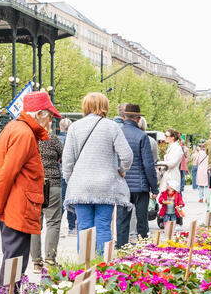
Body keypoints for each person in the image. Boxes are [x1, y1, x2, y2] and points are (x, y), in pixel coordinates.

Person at [0, 91, 58, 285]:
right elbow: (7, 172)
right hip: (18, 207)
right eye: (49, 116)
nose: (51, 121)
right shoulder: (24, 134)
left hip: (13, 205)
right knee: (15, 261)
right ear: (39, 113)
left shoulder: (12, 127)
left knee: (12, 258)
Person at [62, 93, 133, 256]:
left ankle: (84, 268)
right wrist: (123, 170)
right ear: (104, 106)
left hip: (81, 185)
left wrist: (69, 178)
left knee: (84, 226)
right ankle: (103, 268)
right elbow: (127, 155)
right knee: (103, 226)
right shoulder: (112, 127)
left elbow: (67, 160)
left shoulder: (74, 127)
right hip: (106, 185)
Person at [115, 104, 158, 248]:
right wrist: (154, 187)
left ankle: (121, 249)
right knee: (142, 221)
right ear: (138, 119)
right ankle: (142, 248)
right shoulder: (142, 136)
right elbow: (148, 165)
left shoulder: (117, 133)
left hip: (122, 184)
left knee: (122, 220)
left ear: (123, 117)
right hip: (140, 186)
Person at [30, 108, 64, 272]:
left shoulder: (30, 138)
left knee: (35, 224)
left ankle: (36, 262)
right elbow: (63, 157)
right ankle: (50, 260)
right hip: (53, 183)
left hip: (34, 184)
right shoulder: (53, 139)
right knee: (53, 222)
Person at [58, 118, 77, 235]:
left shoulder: (56, 140)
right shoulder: (72, 141)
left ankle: (57, 225)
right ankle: (71, 226)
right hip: (70, 175)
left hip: (59, 175)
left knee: (60, 202)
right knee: (71, 201)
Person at [158, 128, 183, 193]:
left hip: (172, 177)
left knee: (170, 200)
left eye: (166, 136)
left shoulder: (177, 148)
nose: (165, 137)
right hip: (168, 175)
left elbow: (172, 163)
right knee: (165, 199)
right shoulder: (171, 147)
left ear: (173, 137)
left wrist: (160, 164)